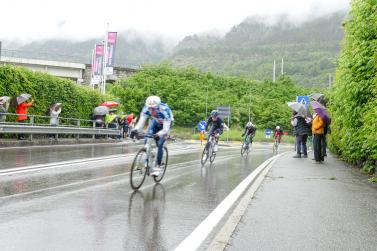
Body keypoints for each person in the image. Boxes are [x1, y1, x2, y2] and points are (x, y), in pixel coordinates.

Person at [133, 96, 173, 176]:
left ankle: (158, 166)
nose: (151, 110)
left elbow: (165, 129)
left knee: (160, 144)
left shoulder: (165, 110)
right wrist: (135, 130)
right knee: (147, 139)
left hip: (166, 124)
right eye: (150, 108)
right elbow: (141, 123)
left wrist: (158, 134)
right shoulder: (146, 108)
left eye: (153, 108)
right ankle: (148, 159)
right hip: (155, 122)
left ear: (158, 107)